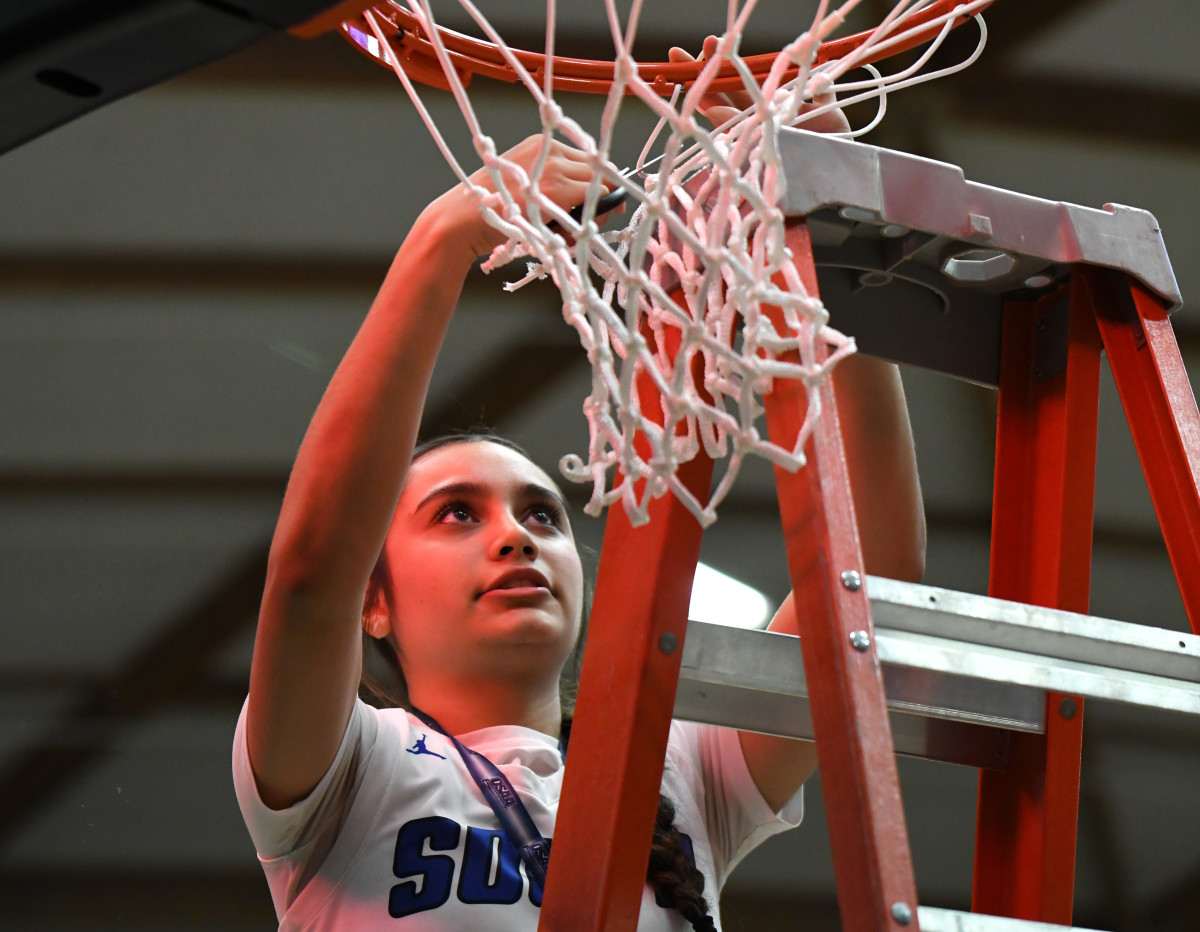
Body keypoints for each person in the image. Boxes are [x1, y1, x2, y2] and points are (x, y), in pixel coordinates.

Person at [232, 57, 925, 931]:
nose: (516, 538)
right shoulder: (354, 772)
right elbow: (307, 574)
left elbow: (875, 584)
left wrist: (833, 226)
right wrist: (444, 236)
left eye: (542, 514)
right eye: (456, 513)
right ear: (374, 603)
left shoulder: (676, 772)